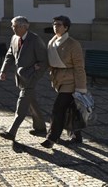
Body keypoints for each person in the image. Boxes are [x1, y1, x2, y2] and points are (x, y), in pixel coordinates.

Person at [0, 16, 48, 143]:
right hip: (20, 77)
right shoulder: (14, 38)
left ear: (23, 27)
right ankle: (41, 128)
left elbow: (43, 61)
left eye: (14, 26)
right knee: (32, 102)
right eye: (12, 26)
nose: (12, 28)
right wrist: (3, 70)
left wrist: (35, 75)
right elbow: (9, 55)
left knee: (22, 103)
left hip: (31, 77)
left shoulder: (35, 40)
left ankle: (11, 132)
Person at [41, 15, 87, 149]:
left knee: (58, 109)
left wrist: (81, 88)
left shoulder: (73, 44)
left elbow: (79, 67)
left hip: (70, 81)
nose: (55, 27)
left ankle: (51, 138)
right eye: (54, 24)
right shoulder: (52, 41)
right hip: (58, 79)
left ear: (66, 27)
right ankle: (77, 136)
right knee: (71, 110)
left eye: (59, 24)